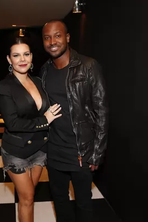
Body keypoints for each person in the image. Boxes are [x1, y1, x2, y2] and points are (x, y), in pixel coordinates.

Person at [40, 20, 109, 222]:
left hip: (81, 151)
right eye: (47, 37)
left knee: (83, 203)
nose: (52, 41)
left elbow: (102, 112)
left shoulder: (88, 66)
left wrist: (97, 153)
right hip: (54, 150)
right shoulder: (44, 70)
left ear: (67, 37)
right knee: (60, 200)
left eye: (58, 35)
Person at [0, 37, 62, 222]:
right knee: (28, 198)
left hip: (39, 148)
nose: (22, 59)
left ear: (31, 57)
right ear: (9, 59)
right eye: (16, 55)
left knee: (29, 196)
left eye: (26, 54)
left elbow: (44, 109)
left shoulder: (39, 81)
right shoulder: (2, 87)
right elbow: (12, 123)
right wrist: (44, 120)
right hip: (17, 150)